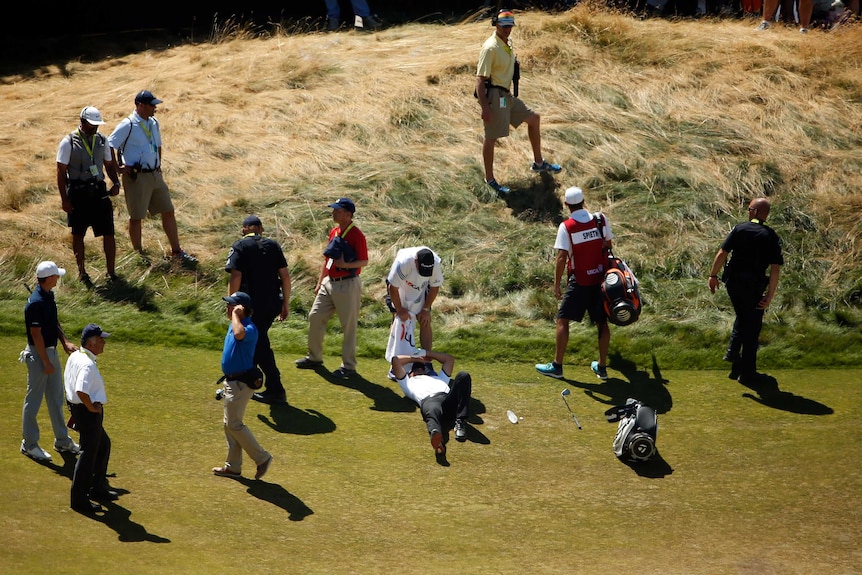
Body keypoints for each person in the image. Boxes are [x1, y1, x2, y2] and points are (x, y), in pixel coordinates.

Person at [475, 9, 562, 195]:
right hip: (495, 97)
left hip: (506, 97)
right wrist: (485, 108)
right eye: (504, 26)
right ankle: (489, 179)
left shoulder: (507, 43)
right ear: (495, 24)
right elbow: (480, 80)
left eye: (510, 26)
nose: (507, 29)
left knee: (534, 118)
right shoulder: (490, 47)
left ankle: (538, 163)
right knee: (491, 137)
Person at [107, 90, 197, 266]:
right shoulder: (128, 124)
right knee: (136, 217)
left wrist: (158, 165)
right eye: (152, 104)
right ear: (140, 105)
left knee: (168, 210)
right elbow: (110, 144)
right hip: (137, 178)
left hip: (155, 174)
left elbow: (158, 145)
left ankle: (176, 251)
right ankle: (139, 255)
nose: (155, 107)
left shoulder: (154, 123)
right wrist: (118, 168)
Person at [536, 186, 614, 380]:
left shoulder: (567, 226)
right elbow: (609, 245)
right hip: (601, 281)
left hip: (579, 282)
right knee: (602, 323)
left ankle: (557, 366)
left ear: (566, 205)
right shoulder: (600, 220)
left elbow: (562, 257)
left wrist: (556, 284)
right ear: (583, 201)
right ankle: (602, 367)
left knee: (563, 320)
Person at [708, 198, 783, 385]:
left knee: (743, 316)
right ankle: (747, 372)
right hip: (754, 286)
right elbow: (775, 269)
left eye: (750, 209)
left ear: (756, 212)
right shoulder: (771, 236)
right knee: (752, 326)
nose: (748, 212)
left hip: (733, 283)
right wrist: (770, 296)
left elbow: (722, 253)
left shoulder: (739, 229)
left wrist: (713, 275)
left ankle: (734, 355)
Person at [296, 198, 369, 379]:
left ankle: (349, 367)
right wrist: (320, 281)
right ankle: (314, 357)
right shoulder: (335, 231)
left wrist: (345, 264)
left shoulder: (356, 235)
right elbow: (327, 259)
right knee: (315, 316)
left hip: (348, 284)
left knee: (348, 327)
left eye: (338, 210)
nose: (334, 212)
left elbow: (364, 261)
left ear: (348, 214)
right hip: (330, 282)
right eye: (334, 209)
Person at [225, 215, 292, 405]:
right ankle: (250, 378)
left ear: (244, 229)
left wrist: (232, 303)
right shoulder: (273, 245)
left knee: (259, 343)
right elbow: (285, 277)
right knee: (256, 341)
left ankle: (275, 388)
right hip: (271, 304)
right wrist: (286, 304)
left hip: (251, 305)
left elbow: (236, 275)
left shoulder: (240, 246)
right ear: (260, 229)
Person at [20, 261, 80, 462]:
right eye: (56, 276)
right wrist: (46, 362)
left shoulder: (47, 296)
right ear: (50, 278)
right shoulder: (36, 302)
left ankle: (62, 440)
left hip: (50, 353)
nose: (58, 278)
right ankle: (29, 444)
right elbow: (36, 335)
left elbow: (53, 322)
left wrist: (64, 342)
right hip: (39, 355)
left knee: (55, 398)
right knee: (33, 400)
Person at [56, 106, 122, 285]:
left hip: (99, 192)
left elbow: (108, 165)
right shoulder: (68, 142)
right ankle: (82, 272)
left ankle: (111, 272)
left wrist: (115, 183)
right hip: (78, 193)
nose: (95, 128)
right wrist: (64, 199)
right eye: (92, 124)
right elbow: (61, 172)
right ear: (82, 121)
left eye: (97, 125)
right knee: (78, 234)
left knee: (109, 233)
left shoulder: (102, 140)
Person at [212, 291, 273, 480]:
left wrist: (237, 316)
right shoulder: (236, 323)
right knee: (229, 425)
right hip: (232, 381)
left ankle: (262, 458)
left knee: (234, 424)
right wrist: (236, 317)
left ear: (241, 309)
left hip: (240, 382)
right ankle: (233, 467)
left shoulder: (248, 327)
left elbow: (239, 335)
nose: (227, 307)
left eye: (232, 305)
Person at [65, 323, 117, 514]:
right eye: (101, 339)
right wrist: (91, 408)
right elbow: (81, 389)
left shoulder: (77, 356)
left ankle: (98, 487)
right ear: (92, 342)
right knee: (87, 455)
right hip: (87, 413)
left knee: (103, 445)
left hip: (79, 410)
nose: (104, 342)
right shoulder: (86, 364)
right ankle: (79, 499)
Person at [390, 350, 471, 457]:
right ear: (410, 373)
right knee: (432, 412)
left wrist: (425, 353)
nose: (420, 370)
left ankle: (460, 422)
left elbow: (449, 359)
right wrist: (416, 359)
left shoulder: (439, 378)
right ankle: (436, 436)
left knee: (463, 376)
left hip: (448, 401)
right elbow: (395, 360)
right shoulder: (407, 383)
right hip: (429, 401)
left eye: (422, 368)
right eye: (416, 369)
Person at [385, 246, 444, 376]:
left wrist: (425, 309)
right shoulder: (403, 262)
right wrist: (400, 310)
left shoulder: (435, 263)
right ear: (415, 261)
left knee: (425, 321)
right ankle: (396, 364)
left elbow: (434, 287)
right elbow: (392, 288)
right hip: (399, 288)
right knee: (399, 321)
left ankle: (426, 363)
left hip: (421, 289)